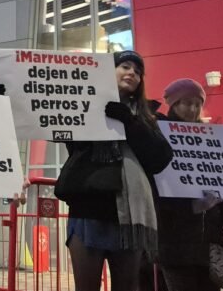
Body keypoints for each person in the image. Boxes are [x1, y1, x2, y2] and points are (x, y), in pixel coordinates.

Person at [57, 50, 173, 291]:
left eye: (138, 71)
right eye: (125, 66)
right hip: (88, 211)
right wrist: (7, 101)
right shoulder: (83, 106)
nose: (132, 73)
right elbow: (50, 126)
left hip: (129, 220)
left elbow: (160, 158)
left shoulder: (148, 117)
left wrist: (129, 122)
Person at [156, 79, 223, 291]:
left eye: (198, 104)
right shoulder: (159, 138)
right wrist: (191, 208)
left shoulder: (211, 139)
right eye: (187, 103)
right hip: (174, 246)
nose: (193, 109)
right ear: (173, 104)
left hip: (210, 246)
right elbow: (157, 191)